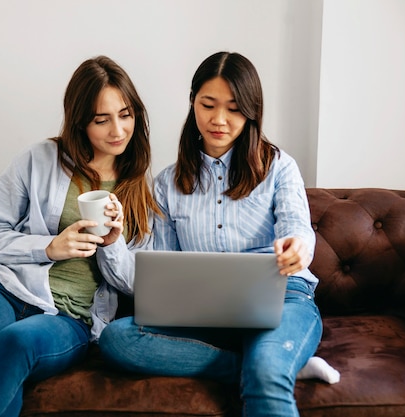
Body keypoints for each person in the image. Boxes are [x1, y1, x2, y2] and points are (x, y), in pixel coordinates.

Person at [98, 51, 338, 417]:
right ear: (193, 101)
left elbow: (297, 228)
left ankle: (271, 365)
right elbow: (154, 274)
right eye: (208, 105)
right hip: (203, 310)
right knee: (117, 338)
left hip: (281, 298)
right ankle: (273, 365)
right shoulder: (167, 182)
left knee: (267, 373)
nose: (219, 120)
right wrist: (113, 243)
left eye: (234, 109)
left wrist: (298, 249)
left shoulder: (278, 167)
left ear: (252, 112)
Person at [0, 55, 159, 417]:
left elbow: (137, 283)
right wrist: (49, 247)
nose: (118, 130)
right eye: (102, 119)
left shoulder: (142, 191)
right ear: (80, 121)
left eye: (126, 114)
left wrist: (113, 243)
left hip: (67, 318)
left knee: (12, 345)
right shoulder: (39, 159)